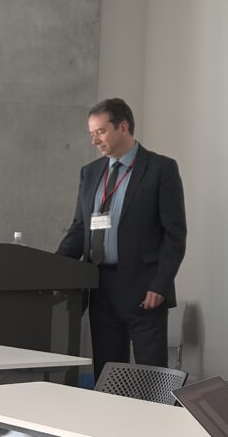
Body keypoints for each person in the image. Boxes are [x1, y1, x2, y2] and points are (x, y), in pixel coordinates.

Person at [57, 98, 186, 379]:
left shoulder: (161, 169)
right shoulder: (90, 173)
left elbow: (174, 235)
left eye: (100, 132)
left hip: (145, 291)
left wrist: (160, 285)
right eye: (92, 133)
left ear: (123, 127)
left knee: (151, 378)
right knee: (108, 376)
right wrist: (52, 269)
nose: (94, 140)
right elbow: (79, 229)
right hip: (101, 288)